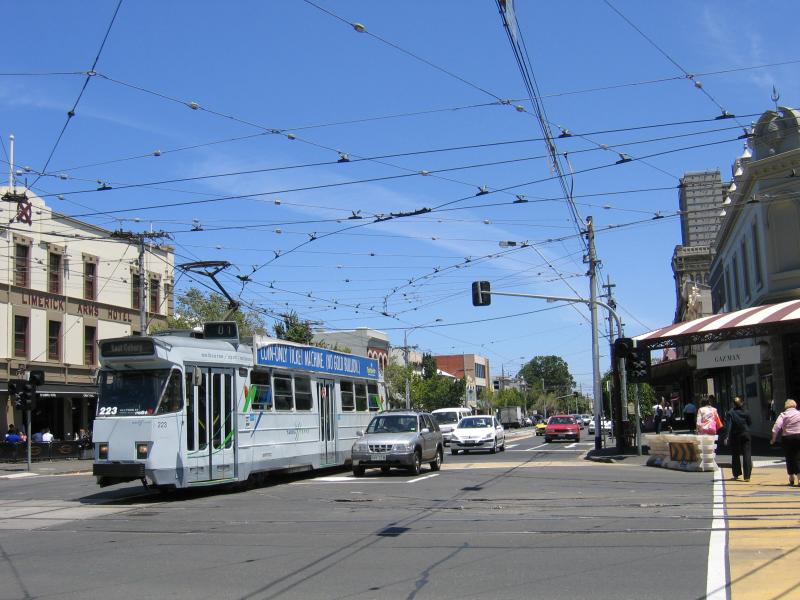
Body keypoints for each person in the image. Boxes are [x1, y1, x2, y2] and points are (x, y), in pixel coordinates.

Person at [770, 399, 800, 486]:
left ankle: (791, 477)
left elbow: (776, 427)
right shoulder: (799, 413)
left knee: (789, 457)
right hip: (799, 436)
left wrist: (773, 439)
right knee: (798, 457)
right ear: (795, 405)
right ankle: (799, 479)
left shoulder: (783, 415)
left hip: (787, 438)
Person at [725, 397, 753, 481]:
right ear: (742, 403)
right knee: (747, 454)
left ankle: (736, 473)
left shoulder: (730, 412)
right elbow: (750, 422)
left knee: (735, 454)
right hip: (745, 433)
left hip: (735, 435)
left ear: (733, 404)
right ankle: (747, 476)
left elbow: (729, 426)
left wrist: (727, 436)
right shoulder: (746, 412)